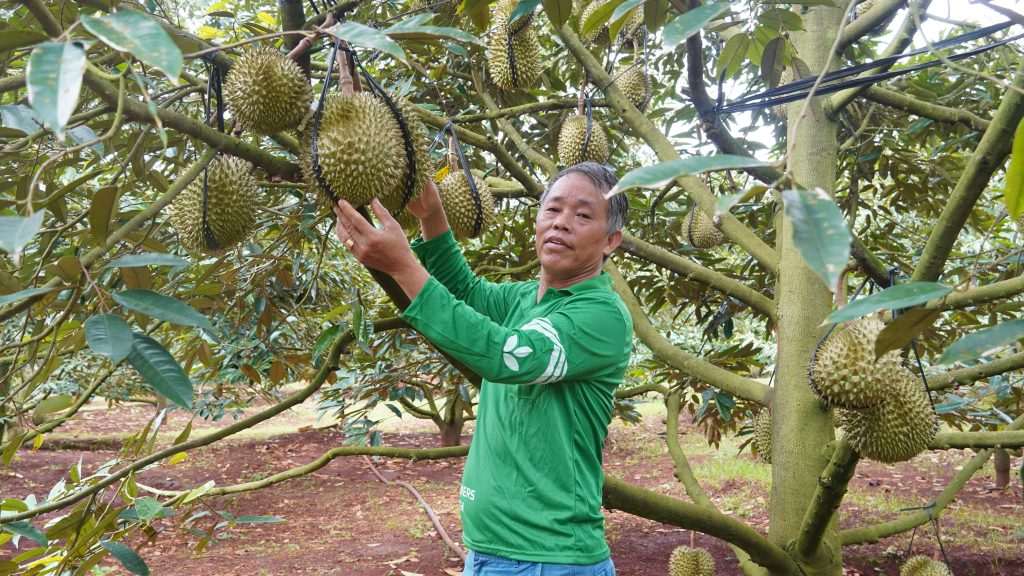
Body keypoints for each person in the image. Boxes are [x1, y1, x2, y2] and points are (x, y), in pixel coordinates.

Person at [333, 161, 632, 576]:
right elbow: (465, 292)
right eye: (552, 209)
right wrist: (432, 216)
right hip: (488, 550)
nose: (562, 223)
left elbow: (508, 355)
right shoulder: (523, 299)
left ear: (610, 240)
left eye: (583, 215)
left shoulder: (601, 315)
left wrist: (403, 266)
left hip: (552, 558)